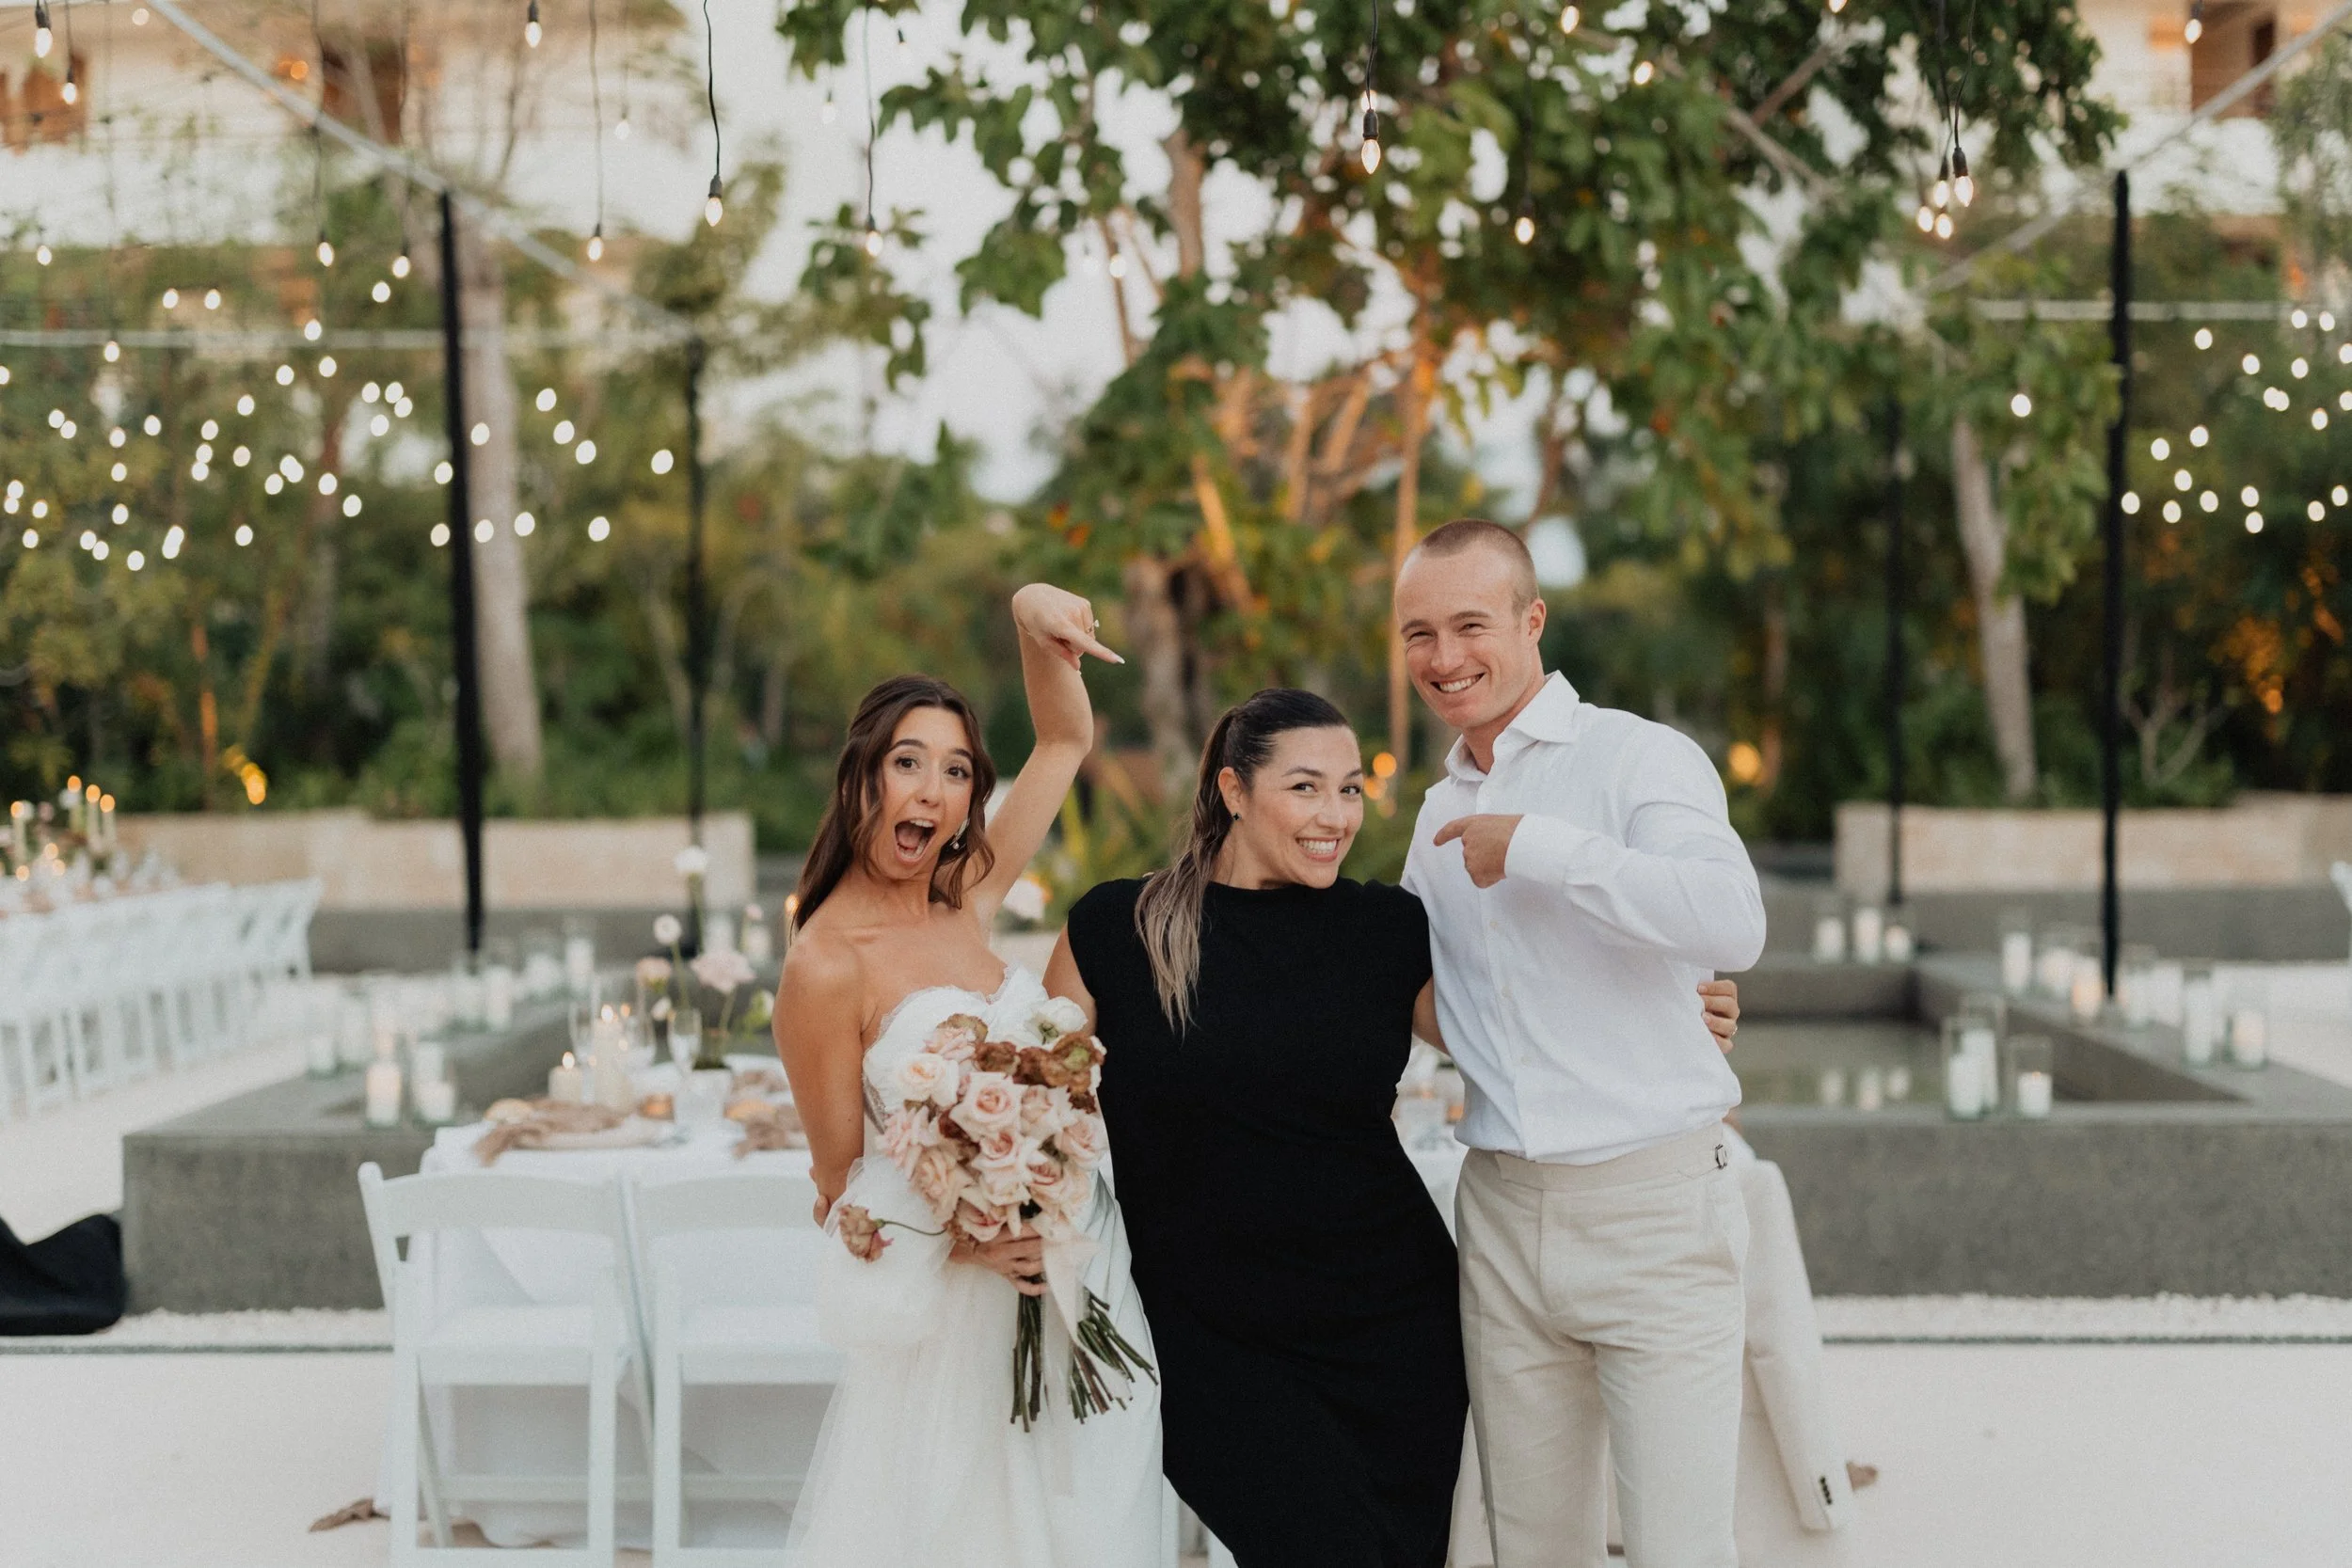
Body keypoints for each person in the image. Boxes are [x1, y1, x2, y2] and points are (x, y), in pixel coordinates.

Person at [1044, 689, 1742, 1568]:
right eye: (1305, 787)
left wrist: (1678, 1013)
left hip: (1391, 1324)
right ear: (1232, 788)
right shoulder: (1117, 928)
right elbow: (1035, 1103)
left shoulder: (1384, 930)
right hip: (1211, 1337)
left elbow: (1520, 1027)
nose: (1334, 816)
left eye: (1348, 790)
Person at [1395, 517, 1770, 1568]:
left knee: (1678, 1546)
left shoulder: (1637, 756)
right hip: (1503, 1211)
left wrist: (1539, 846)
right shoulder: (1432, 813)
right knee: (1531, 1546)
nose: (1443, 656)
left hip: (1654, 1211)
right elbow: (1447, 1001)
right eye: (1418, 631)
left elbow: (1729, 917)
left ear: (1532, 618)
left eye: (1470, 623)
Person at [772, 583, 1167, 1568]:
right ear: (860, 774)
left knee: (1096, 1523)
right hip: (961, 1319)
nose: (933, 790)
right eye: (908, 761)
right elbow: (840, 1192)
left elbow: (1065, 742)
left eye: (955, 771)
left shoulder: (967, 894)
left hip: (1083, 1280)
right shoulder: (824, 965)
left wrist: (1032, 613)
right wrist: (963, 1243)